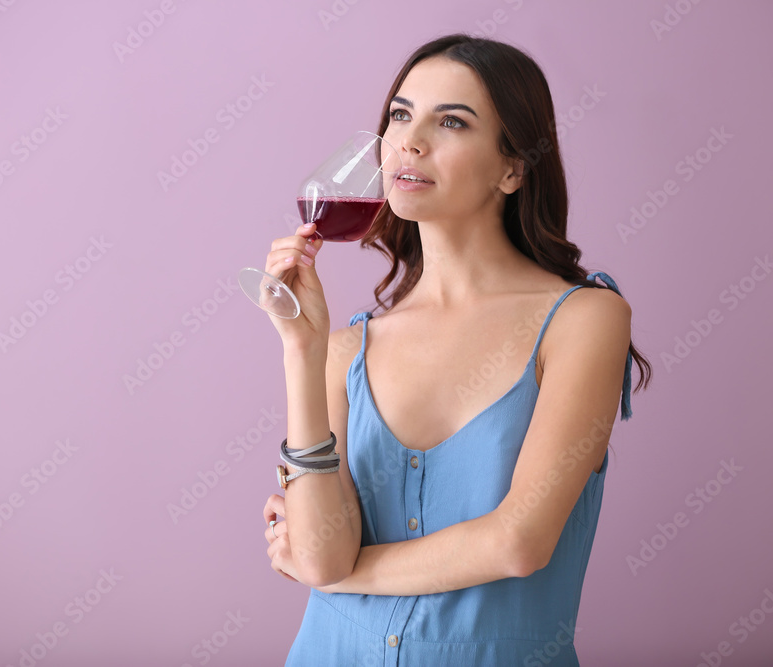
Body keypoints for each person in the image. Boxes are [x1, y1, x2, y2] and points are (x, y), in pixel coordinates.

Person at [260, 33, 654, 665]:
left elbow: (518, 542)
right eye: (400, 115)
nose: (410, 141)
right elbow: (321, 555)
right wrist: (302, 351)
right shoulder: (346, 349)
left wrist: (338, 574)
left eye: (452, 121)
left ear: (513, 168)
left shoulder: (584, 320)